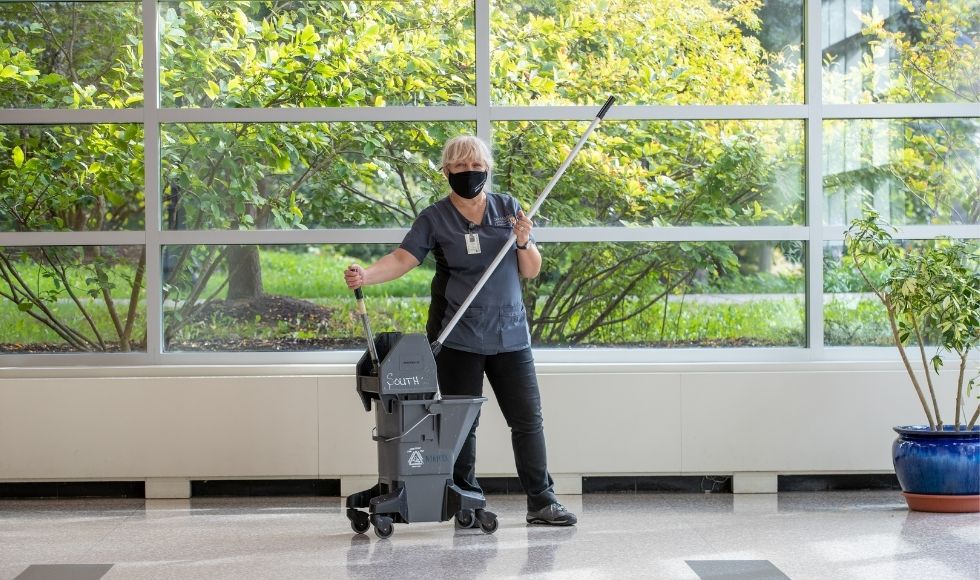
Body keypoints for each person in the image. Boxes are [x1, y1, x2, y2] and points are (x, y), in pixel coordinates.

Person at [343, 135, 577, 526]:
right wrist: (367, 274)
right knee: (462, 424)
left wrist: (523, 242)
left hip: (510, 336)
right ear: (447, 171)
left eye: (477, 166)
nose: (470, 173)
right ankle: (467, 499)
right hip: (457, 337)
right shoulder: (434, 218)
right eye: (461, 167)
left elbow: (531, 269)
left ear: (487, 169)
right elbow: (403, 258)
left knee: (527, 420)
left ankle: (542, 501)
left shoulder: (509, 209)